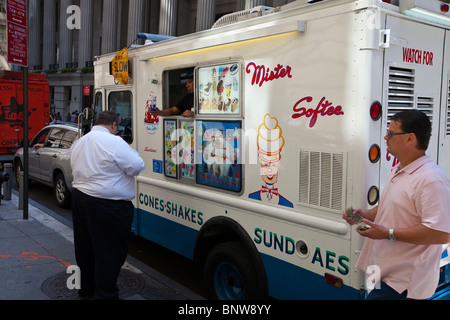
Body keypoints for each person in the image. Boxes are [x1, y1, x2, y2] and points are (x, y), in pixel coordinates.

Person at [343, 110, 450, 300]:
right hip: (379, 271)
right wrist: (366, 215)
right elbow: (391, 208)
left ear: (410, 138)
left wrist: (388, 233)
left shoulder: (432, 180)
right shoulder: (400, 169)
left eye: (391, 133)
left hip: (401, 285)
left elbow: (441, 233)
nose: (386, 137)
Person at [70, 110, 145, 300]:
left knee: (85, 249)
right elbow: (137, 166)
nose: (117, 130)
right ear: (113, 125)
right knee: (109, 253)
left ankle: (86, 291)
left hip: (80, 199)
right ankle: (106, 295)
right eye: (117, 127)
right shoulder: (114, 142)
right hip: (108, 207)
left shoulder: (80, 142)